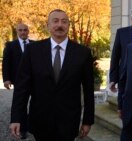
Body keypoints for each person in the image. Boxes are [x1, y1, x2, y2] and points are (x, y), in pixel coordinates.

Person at [9, 9, 94, 141]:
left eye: (64, 21)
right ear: (47, 25)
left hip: (69, 121)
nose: (60, 25)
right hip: (40, 119)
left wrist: (88, 120)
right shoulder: (33, 51)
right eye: (55, 21)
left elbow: (89, 90)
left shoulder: (83, 53)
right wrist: (16, 118)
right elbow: (22, 88)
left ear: (68, 26)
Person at [2, 23, 34, 139]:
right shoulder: (10, 45)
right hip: (19, 81)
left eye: (25, 30)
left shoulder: (34, 45)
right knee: (20, 105)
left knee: (38, 103)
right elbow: (6, 63)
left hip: (35, 81)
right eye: (20, 30)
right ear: (17, 31)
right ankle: (23, 129)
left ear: (28, 31)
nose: (23, 32)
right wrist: (6, 79)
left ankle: (35, 125)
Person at [109, 7, 132, 93]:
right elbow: (115, 57)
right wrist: (113, 79)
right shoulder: (121, 33)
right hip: (125, 79)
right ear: (131, 19)